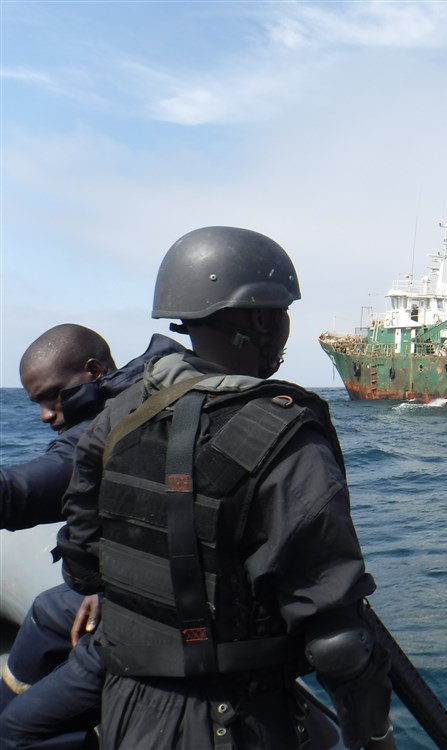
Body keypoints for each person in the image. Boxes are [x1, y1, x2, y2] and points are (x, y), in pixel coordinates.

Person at [58, 226, 396, 750]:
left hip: (124, 704)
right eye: (282, 313)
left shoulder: (116, 419)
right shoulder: (283, 432)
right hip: (234, 721)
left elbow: (82, 565)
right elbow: (338, 642)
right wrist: (375, 738)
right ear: (262, 321)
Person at [1, 325, 186, 749]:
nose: (45, 415)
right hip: (131, 585)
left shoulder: (112, 428)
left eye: (53, 396)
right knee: (51, 608)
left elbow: (18, 493)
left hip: (155, 619)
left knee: (19, 733)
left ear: (94, 370)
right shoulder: (148, 397)